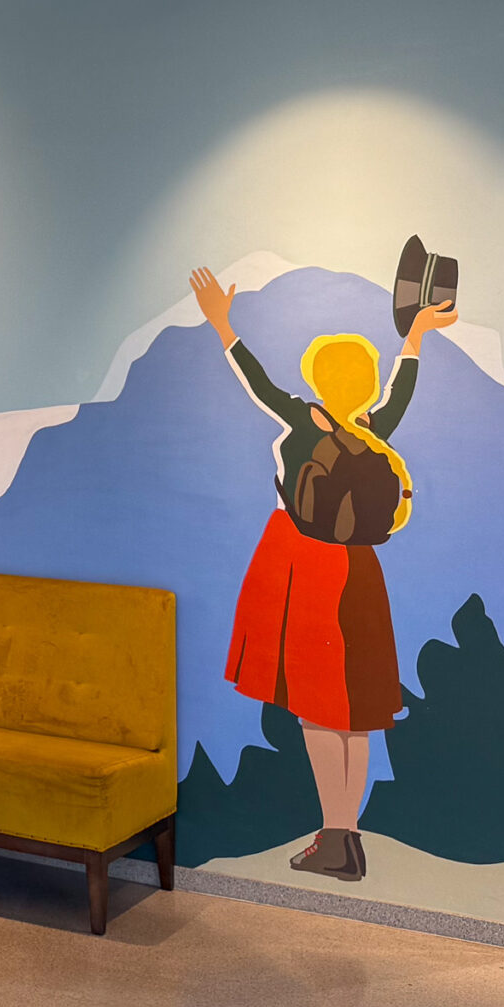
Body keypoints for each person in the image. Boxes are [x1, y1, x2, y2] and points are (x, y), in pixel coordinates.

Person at [188, 265, 458, 882]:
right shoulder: (371, 432)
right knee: (355, 710)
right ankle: (345, 835)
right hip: (360, 571)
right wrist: (414, 337)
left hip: (306, 569)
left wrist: (224, 327)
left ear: (317, 378)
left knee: (318, 708)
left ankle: (336, 838)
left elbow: (259, 384)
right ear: (363, 384)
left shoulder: (303, 422)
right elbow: (399, 396)